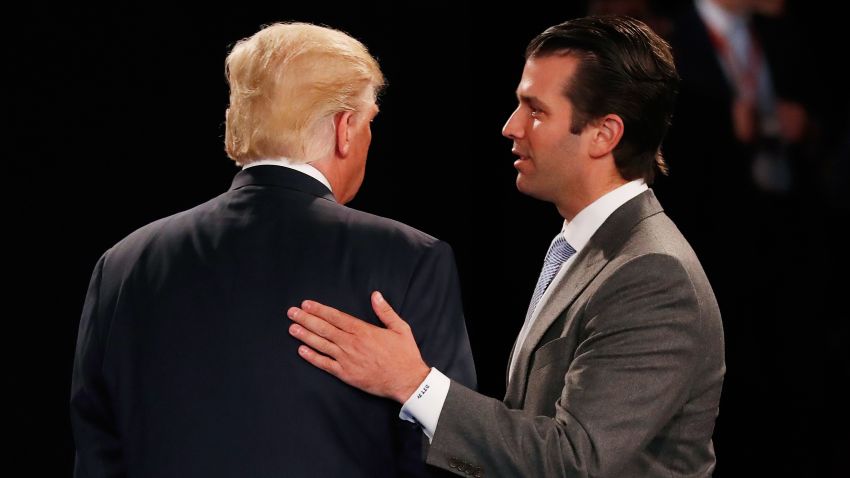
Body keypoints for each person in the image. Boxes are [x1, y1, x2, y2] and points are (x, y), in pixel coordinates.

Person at [287, 16, 725, 477]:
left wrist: (412, 382)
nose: (511, 126)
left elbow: (573, 462)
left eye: (535, 110)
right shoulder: (588, 248)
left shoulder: (653, 275)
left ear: (605, 134)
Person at [70, 22, 475, 477]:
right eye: (369, 122)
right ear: (345, 129)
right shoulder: (412, 260)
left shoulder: (122, 266)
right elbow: (447, 458)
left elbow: (97, 455)